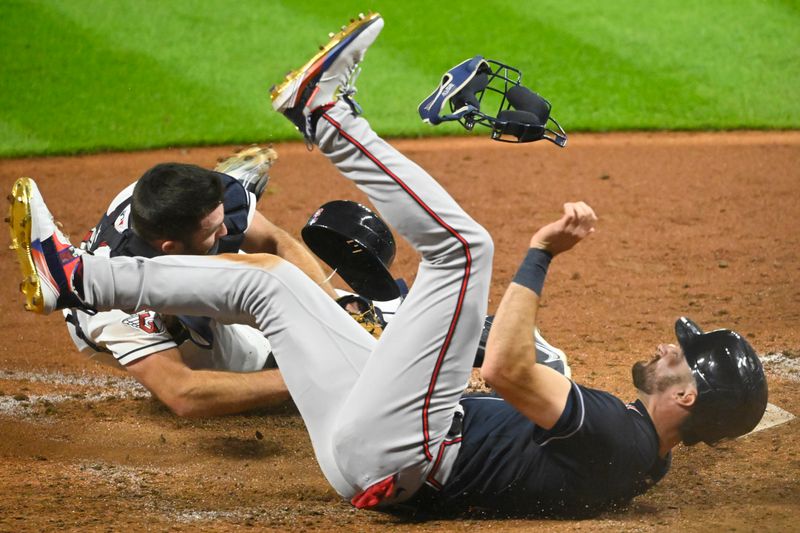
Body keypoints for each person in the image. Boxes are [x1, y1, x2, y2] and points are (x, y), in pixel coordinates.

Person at [9, 12, 767, 518]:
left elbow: (504, 370)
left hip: (406, 447)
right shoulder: (635, 455)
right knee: (262, 284)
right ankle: (76, 277)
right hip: (370, 448)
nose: (672, 345)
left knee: (469, 248)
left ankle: (328, 116)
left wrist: (541, 256)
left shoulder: (625, 437)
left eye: (686, 355)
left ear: (691, 398)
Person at [61, 146, 339, 417]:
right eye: (215, 227)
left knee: (281, 284)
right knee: (264, 364)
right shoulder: (117, 308)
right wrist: (303, 378)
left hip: (184, 253)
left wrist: (336, 310)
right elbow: (183, 393)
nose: (228, 230)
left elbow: (274, 241)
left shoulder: (160, 195)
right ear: (170, 247)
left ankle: (216, 230)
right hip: (147, 315)